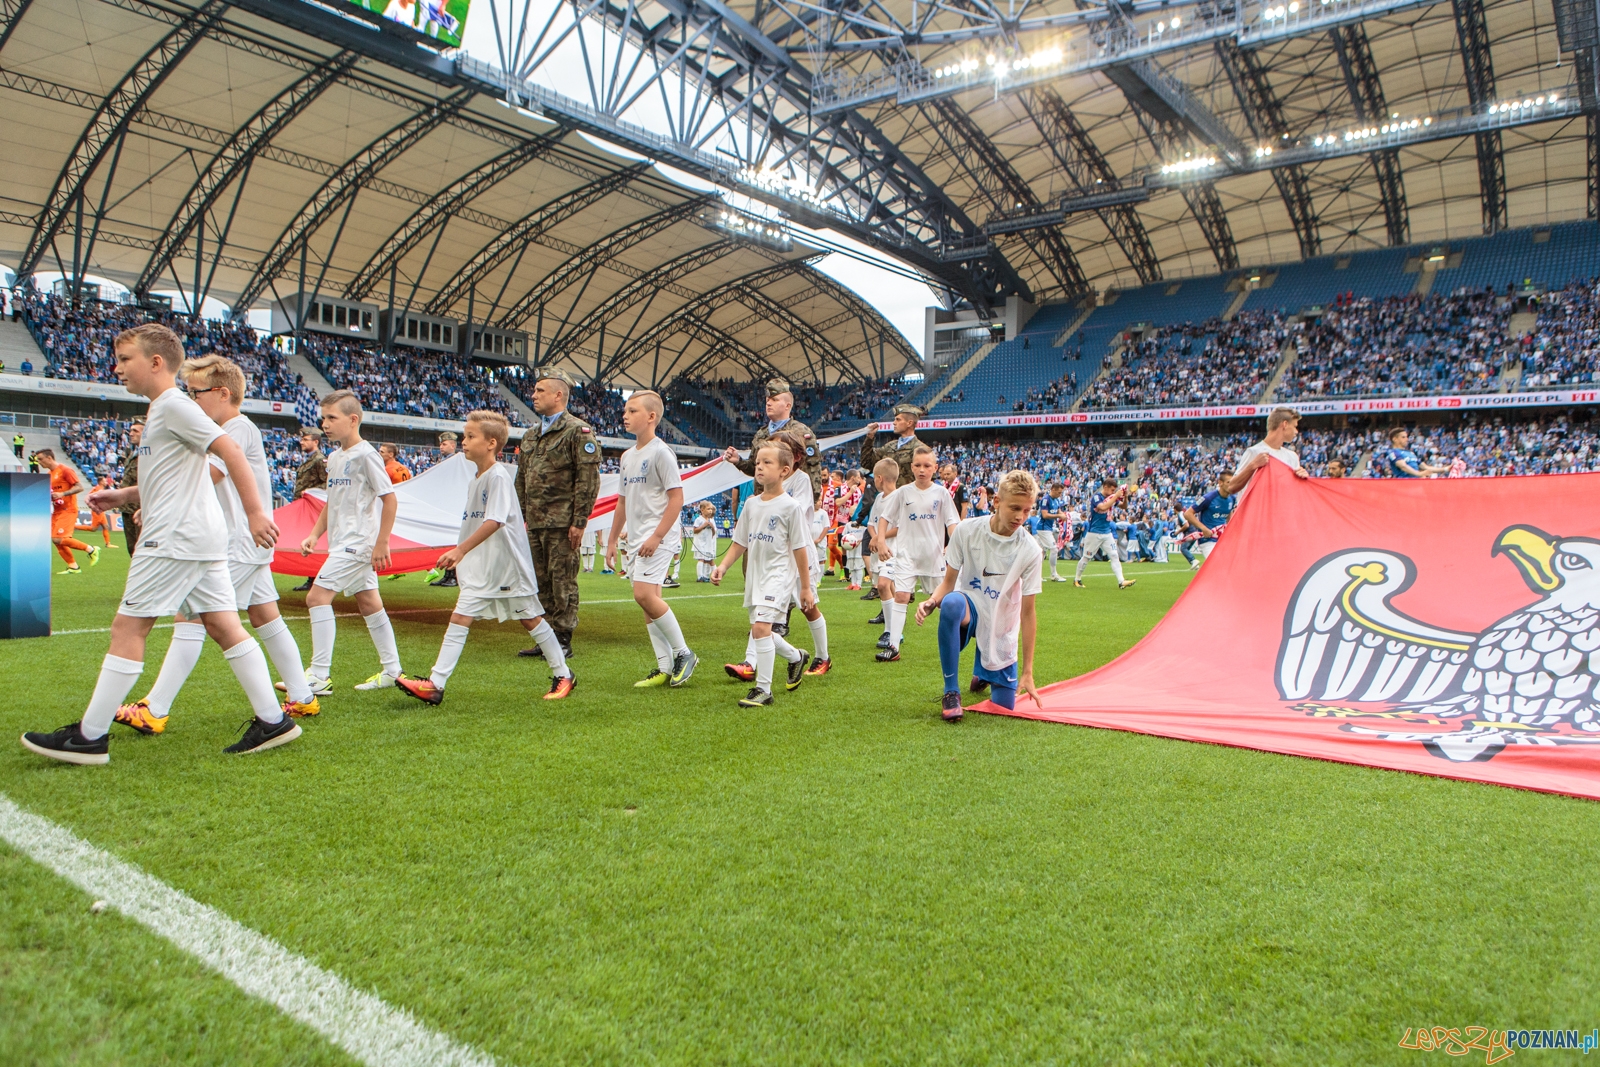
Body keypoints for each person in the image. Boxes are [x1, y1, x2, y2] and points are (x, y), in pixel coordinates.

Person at [19, 323, 298, 764]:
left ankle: (90, 737)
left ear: (154, 362)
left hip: (175, 538)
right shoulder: (163, 409)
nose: (117, 368)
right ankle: (273, 720)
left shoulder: (172, 405)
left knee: (128, 628)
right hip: (199, 537)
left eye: (124, 359)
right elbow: (179, 474)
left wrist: (256, 513)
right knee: (224, 626)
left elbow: (230, 451)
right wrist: (126, 496)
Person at [115, 354, 320, 735]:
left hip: (238, 540)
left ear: (223, 393)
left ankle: (155, 708)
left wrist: (157, 502)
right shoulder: (234, 428)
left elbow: (207, 475)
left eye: (197, 393)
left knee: (192, 617)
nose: (192, 400)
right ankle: (302, 695)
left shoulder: (236, 428)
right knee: (264, 616)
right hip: (246, 540)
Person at [397, 411, 575, 706]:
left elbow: (494, 521)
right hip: (484, 568)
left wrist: (460, 550)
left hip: (506, 567)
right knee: (464, 616)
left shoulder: (498, 477)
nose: (464, 442)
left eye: (470, 436)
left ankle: (563, 674)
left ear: (491, 443)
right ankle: (435, 684)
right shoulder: (477, 479)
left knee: (530, 618)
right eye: (464, 436)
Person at [294, 390, 405, 692]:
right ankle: (393, 671)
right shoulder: (334, 457)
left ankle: (319, 676)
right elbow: (332, 501)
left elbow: (390, 499)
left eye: (332, 418)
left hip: (357, 544)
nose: (325, 424)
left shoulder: (367, 455)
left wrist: (382, 542)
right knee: (369, 603)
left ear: (353, 419)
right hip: (343, 542)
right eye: (323, 418)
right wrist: (314, 534)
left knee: (316, 598)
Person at [916, 469, 1044, 722]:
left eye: (1027, 510)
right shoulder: (966, 530)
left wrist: (1028, 671)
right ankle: (951, 692)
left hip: (1001, 623)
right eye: (1015, 508)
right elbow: (948, 583)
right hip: (970, 608)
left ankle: (983, 672)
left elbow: (1028, 613)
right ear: (996, 501)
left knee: (1004, 708)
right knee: (951, 603)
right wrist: (932, 601)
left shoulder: (1030, 550)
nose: (1020, 517)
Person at [710, 439, 816, 707]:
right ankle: (795, 657)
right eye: (757, 462)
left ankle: (763, 689)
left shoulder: (790, 507)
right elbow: (740, 542)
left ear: (784, 470)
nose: (759, 467)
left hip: (778, 576)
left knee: (760, 628)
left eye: (767, 462)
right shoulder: (751, 504)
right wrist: (723, 566)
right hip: (755, 577)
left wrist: (805, 587)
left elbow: (800, 549)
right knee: (760, 631)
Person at [607, 391, 697, 687]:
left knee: (643, 595)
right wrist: (611, 541)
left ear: (651, 417)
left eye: (632, 411)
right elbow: (622, 502)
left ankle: (684, 653)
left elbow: (677, 498)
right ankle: (664, 666)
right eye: (625, 410)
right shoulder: (627, 456)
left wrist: (657, 536)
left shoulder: (661, 452)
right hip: (636, 539)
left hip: (657, 537)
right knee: (649, 601)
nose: (625, 415)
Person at [516, 368, 600, 660]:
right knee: (540, 583)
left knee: (562, 580)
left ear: (558, 395)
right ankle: (546, 638)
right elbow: (521, 480)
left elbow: (587, 480)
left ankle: (562, 639)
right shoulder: (531, 435)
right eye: (535, 390)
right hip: (535, 523)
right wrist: (520, 517)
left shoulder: (578, 431)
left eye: (540, 391)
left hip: (562, 523)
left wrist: (579, 521)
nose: (534, 395)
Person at [874, 445, 960, 662]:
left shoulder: (941, 493)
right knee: (901, 596)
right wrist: (881, 541)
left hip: (933, 556)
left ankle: (956, 639)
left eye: (927, 466)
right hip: (907, 555)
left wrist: (956, 544)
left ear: (935, 468)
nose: (922, 469)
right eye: (918, 465)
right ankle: (893, 647)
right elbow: (885, 518)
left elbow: (952, 523)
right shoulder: (903, 492)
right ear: (912, 467)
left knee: (943, 602)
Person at [722, 378, 823, 498]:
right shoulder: (761, 434)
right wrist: (738, 461)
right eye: (767, 400)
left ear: (787, 406)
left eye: (774, 400)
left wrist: (814, 500)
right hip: (763, 500)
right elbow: (755, 469)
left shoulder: (801, 432)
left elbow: (813, 468)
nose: (769, 403)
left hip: (789, 501)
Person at [33, 449, 99, 574]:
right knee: (55, 540)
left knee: (58, 538)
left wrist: (63, 493)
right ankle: (73, 566)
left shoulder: (65, 470)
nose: (39, 462)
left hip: (68, 509)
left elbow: (79, 487)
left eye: (40, 459)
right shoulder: (49, 474)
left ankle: (91, 549)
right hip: (57, 510)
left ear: (49, 458)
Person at [1223, 407, 1311, 496]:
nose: (1296, 431)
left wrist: (1302, 480)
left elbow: (1295, 494)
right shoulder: (1254, 452)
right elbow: (1231, 487)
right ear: (1285, 424)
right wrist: (1252, 466)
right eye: (1295, 426)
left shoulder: (1292, 457)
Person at [1074, 478, 1136, 589]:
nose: (1113, 492)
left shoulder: (1111, 497)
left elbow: (1124, 506)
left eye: (1114, 490)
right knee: (1086, 557)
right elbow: (1102, 507)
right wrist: (1116, 496)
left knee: (1114, 555)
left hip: (1107, 532)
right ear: (1105, 487)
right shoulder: (1097, 497)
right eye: (1112, 490)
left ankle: (1121, 581)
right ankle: (1077, 579)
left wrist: (1125, 497)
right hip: (1094, 532)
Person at [290, 426, 327, 591]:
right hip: (303, 507)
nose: (301, 442)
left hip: (313, 509)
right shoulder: (310, 459)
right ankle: (311, 577)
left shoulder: (319, 460)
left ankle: (314, 578)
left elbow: (328, 483)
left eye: (305, 439)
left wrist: (312, 491)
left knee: (313, 542)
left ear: (316, 442)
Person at [860, 403, 926, 488]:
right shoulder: (889, 446)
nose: (894, 423)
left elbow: (926, 480)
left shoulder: (921, 449)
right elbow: (866, 462)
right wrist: (870, 437)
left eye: (898, 420)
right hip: (889, 495)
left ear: (909, 423)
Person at [430, 432, 462, 588]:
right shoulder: (443, 461)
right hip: (445, 504)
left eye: (444, 444)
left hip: (454, 506)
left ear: (453, 445)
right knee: (448, 542)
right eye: (440, 444)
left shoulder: (457, 462)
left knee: (455, 542)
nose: (441, 447)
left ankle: (454, 575)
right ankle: (448, 574)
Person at [1182, 473, 1235, 570]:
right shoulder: (1209, 498)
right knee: (1218, 567)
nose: (1231, 485)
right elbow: (1188, 514)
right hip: (1208, 540)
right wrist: (1204, 529)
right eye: (1228, 482)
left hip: (1223, 539)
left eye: (1233, 482)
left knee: (1228, 569)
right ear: (1220, 483)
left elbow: (1229, 516)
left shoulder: (1232, 499)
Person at [1383, 427, 1450, 478]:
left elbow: (1425, 467)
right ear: (1395, 439)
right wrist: (1419, 474)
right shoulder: (1393, 452)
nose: (1407, 439)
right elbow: (1403, 466)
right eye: (1403, 437)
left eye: (1406, 437)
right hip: (1404, 485)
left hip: (1416, 484)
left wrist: (1445, 469)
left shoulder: (1411, 453)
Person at [118, 419, 143, 554]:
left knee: (143, 549)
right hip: (128, 509)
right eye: (130, 430)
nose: (131, 433)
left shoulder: (152, 454)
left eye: (135, 431)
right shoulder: (133, 454)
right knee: (132, 549)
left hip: (141, 508)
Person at [1037, 481, 1067, 582]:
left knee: (1041, 552)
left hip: (1048, 528)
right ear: (1053, 489)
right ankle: (1054, 574)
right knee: (1054, 549)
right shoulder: (1046, 499)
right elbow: (1045, 515)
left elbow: (1059, 511)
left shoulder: (1056, 500)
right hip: (1043, 528)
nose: (1060, 494)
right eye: (1059, 492)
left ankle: (1036, 576)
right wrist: (1059, 516)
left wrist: (1063, 515)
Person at [76, 477, 115, 547]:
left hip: (100, 510)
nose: (106, 482)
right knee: (93, 528)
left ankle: (108, 543)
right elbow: (89, 497)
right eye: (105, 481)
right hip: (97, 511)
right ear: (101, 482)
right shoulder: (97, 489)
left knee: (106, 526)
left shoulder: (99, 489)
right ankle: (73, 526)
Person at [691, 501, 718, 581]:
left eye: (711, 509)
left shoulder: (712, 521)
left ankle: (707, 576)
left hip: (708, 543)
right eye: (708, 509)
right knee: (701, 558)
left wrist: (712, 527)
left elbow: (714, 533)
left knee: (708, 559)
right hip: (700, 542)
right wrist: (704, 526)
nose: (710, 511)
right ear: (702, 510)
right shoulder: (698, 520)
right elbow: (695, 530)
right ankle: (700, 577)